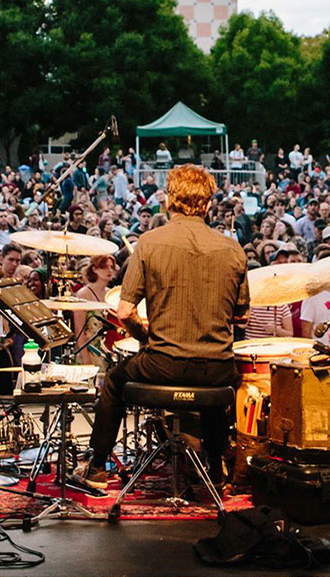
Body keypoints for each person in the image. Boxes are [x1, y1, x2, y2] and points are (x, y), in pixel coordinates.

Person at [77, 164, 249, 494]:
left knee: (114, 381)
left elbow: (125, 311)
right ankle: (215, 470)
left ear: (169, 201)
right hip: (216, 369)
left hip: (163, 364)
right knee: (215, 381)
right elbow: (241, 318)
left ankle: (97, 467)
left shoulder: (150, 243)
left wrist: (146, 337)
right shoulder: (233, 249)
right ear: (209, 205)